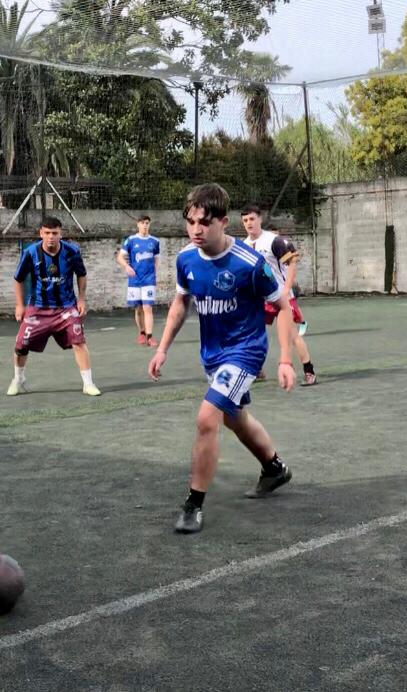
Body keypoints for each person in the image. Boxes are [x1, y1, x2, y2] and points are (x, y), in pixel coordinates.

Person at [148, 183, 297, 535]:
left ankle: (193, 504)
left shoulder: (250, 263)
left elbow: (282, 306)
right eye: (191, 222)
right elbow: (181, 302)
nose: (196, 230)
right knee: (235, 418)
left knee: (207, 418)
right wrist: (162, 348)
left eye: (205, 222)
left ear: (223, 222)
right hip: (213, 355)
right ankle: (274, 468)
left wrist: (285, 360)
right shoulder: (186, 259)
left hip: (246, 350)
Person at [8, 217, 101, 396]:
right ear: (41, 233)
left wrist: (81, 299)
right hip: (38, 308)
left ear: (61, 234)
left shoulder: (72, 251)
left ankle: (88, 384)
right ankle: (18, 379)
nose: (51, 236)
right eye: (47, 233)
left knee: (79, 342)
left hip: (66, 307)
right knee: (21, 346)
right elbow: (18, 279)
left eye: (55, 233)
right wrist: (20, 305)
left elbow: (81, 274)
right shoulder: (30, 253)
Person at [240, 205, 318, 385]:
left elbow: (292, 262)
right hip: (261, 299)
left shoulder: (273, 241)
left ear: (260, 219)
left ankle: (309, 371)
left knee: (292, 335)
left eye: (252, 219)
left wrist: (285, 289)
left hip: (281, 297)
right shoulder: (244, 246)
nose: (249, 223)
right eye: (245, 220)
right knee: (252, 332)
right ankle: (257, 370)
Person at [117, 215, 161, 347]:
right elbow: (120, 257)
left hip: (148, 280)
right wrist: (127, 266)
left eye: (147, 223)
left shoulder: (155, 241)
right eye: (142, 223)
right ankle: (142, 332)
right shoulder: (131, 240)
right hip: (135, 280)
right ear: (138, 224)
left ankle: (150, 337)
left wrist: (154, 272)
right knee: (138, 309)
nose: (145, 225)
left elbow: (156, 259)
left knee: (148, 307)